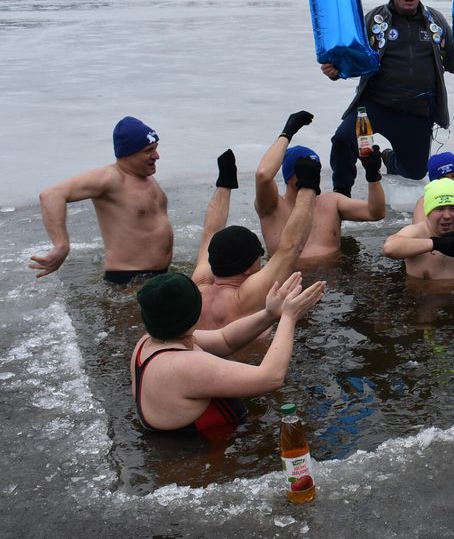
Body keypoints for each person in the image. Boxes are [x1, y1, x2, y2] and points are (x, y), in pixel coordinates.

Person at [321, 0, 454, 190]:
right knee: (343, 140)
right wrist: (335, 71)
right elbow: (353, 58)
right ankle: (341, 194)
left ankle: (389, 159)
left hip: (417, 111)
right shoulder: (374, 20)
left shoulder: (435, 21)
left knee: (415, 172)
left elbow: (452, 57)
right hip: (375, 105)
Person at [130, 270, 325, 434]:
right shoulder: (185, 365)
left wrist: (270, 314)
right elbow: (271, 377)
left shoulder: (148, 342)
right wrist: (289, 318)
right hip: (207, 464)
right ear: (195, 313)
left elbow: (225, 339)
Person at [31, 116, 172, 284]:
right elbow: (51, 195)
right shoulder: (110, 178)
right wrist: (61, 246)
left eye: (155, 148)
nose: (156, 156)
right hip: (128, 280)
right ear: (128, 153)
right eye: (148, 151)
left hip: (159, 276)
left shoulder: (145, 176)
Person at [191, 150, 319, 330]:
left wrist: (224, 183)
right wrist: (309, 187)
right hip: (244, 356)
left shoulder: (199, 286)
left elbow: (210, 233)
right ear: (248, 268)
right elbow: (291, 248)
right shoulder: (246, 297)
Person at [255, 110, 385, 259]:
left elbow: (376, 213)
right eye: (306, 169)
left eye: (315, 168)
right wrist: (287, 133)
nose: (312, 174)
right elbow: (263, 175)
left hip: (332, 278)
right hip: (287, 279)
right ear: (289, 176)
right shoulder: (273, 206)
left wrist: (373, 176)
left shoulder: (332, 202)